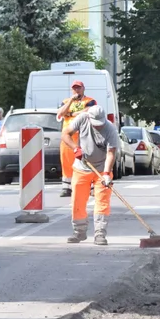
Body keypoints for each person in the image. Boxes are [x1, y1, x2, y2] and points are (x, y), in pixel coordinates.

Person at [63, 103, 118, 245]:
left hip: (101, 169)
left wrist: (106, 173)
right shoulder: (82, 119)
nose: (98, 126)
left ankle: (100, 233)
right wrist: (76, 148)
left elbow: (111, 153)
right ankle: (79, 232)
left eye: (100, 124)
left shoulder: (110, 129)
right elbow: (65, 134)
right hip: (82, 167)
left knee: (102, 201)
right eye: (96, 124)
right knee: (78, 201)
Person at [56, 81, 96, 197]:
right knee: (66, 160)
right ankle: (66, 187)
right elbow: (61, 113)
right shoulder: (65, 101)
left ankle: (90, 186)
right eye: (74, 88)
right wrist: (70, 102)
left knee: (86, 159)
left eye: (78, 88)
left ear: (83, 88)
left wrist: (71, 114)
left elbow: (88, 111)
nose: (76, 90)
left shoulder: (89, 100)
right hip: (67, 135)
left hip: (82, 134)